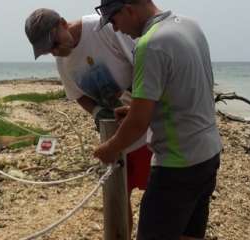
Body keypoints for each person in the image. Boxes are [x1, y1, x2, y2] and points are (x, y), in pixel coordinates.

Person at [93, 0, 223, 239]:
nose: (117, 29)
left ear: (128, 9)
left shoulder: (149, 45)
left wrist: (109, 149)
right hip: (209, 155)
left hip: (177, 166)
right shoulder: (189, 25)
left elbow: (138, 123)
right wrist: (135, 107)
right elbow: (185, 89)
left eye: (113, 20)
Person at [24, 8, 152, 233]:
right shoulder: (63, 63)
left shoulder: (103, 28)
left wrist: (137, 103)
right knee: (119, 197)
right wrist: (97, 112)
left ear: (63, 23)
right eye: (47, 51)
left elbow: (144, 62)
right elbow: (77, 95)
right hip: (114, 136)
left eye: (54, 44)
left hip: (148, 129)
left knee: (159, 198)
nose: (55, 52)